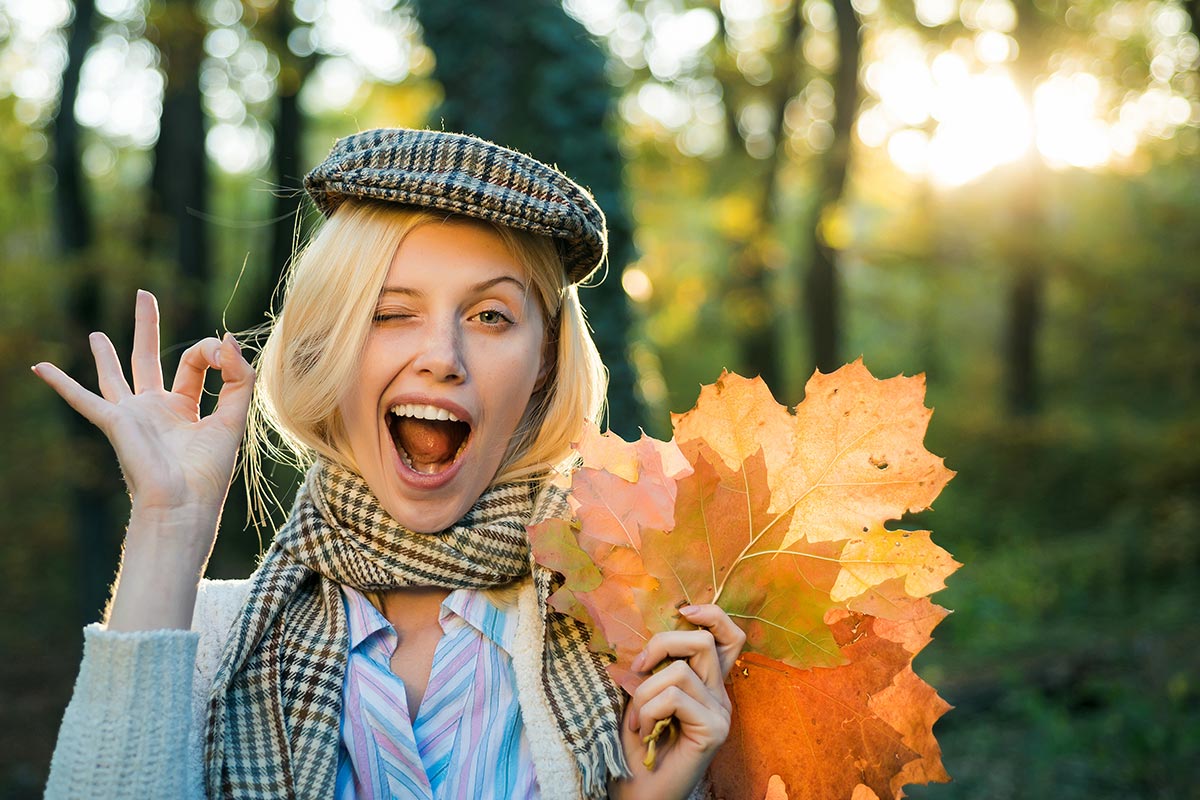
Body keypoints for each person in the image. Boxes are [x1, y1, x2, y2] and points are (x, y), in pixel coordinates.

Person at [35, 128, 745, 800]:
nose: (442, 356)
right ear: (327, 344)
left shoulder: (639, 648)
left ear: (545, 361)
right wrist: (169, 525)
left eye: (490, 316)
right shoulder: (208, 641)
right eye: (388, 312)